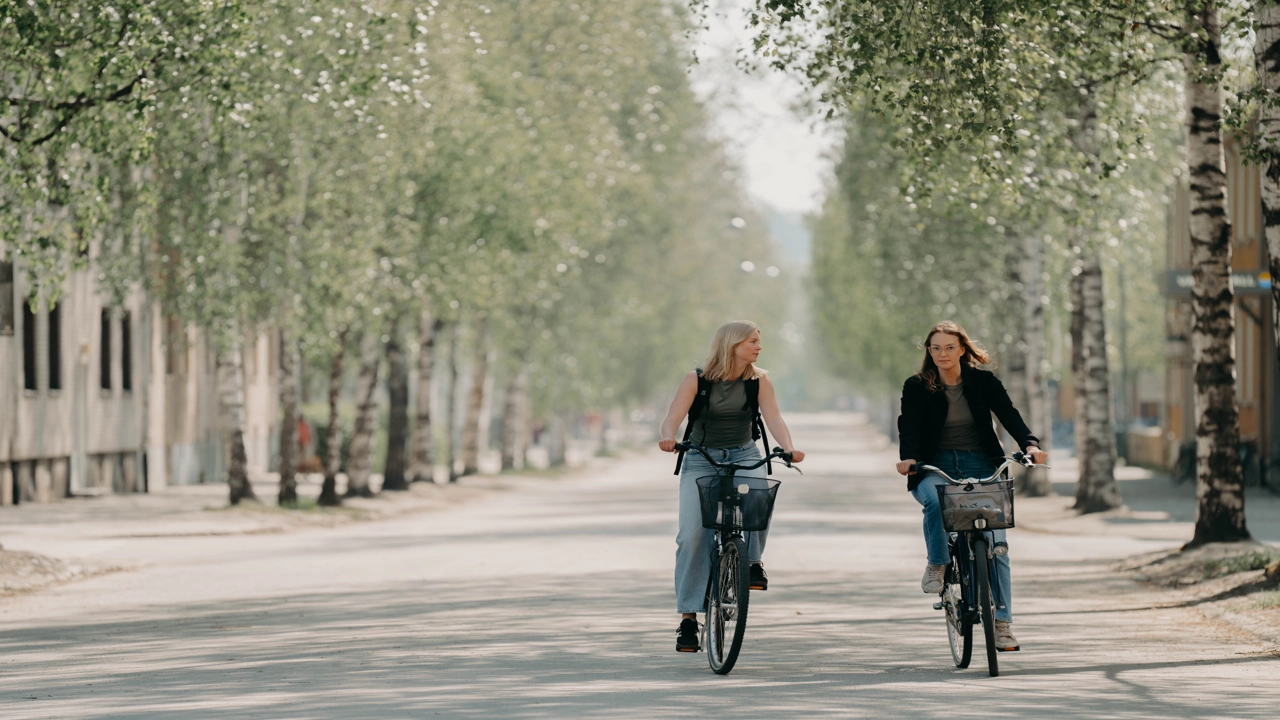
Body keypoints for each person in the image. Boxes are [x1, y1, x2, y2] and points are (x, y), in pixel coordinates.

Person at [895, 320, 1047, 652]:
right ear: (929, 351)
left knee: (997, 545)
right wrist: (908, 458)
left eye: (949, 347)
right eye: (935, 348)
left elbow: (1009, 414)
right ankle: (938, 563)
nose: (942, 354)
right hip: (934, 466)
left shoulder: (983, 382)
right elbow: (909, 422)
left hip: (981, 463)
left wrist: (1031, 446)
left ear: (962, 350)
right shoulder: (917, 386)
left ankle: (1003, 623)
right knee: (935, 502)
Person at [658, 320, 805, 653]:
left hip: (743, 451)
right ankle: (688, 619)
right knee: (693, 534)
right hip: (699, 456)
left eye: (758, 341)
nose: (758, 347)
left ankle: (752, 562)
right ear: (732, 344)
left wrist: (789, 447)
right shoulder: (697, 380)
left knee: (758, 500)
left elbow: (774, 419)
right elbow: (672, 418)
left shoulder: (759, 381)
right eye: (752, 341)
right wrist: (668, 437)